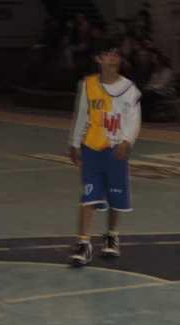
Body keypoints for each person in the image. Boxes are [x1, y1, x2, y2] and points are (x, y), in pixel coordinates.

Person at [68, 37, 142, 267]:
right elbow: (82, 114)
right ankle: (83, 243)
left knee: (115, 197)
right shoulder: (88, 85)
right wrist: (74, 142)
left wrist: (127, 141)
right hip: (92, 148)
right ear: (98, 59)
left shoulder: (129, 89)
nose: (113, 58)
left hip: (115, 151)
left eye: (116, 54)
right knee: (88, 195)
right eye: (108, 54)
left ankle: (111, 235)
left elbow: (134, 119)